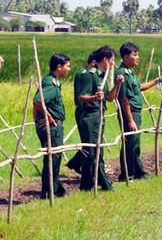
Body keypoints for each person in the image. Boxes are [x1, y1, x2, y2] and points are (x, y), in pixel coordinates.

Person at [116, 42, 162, 182]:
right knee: (129, 144)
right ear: (126, 57)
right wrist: (130, 120)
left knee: (135, 144)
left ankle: (139, 172)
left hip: (135, 112)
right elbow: (124, 99)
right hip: (130, 113)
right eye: (135, 55)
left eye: (138, 54)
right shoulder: (122, 73)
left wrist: (157, 80)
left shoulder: (130, 72)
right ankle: (127, 175)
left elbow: (139, 88)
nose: (138, 57)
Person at [75, 46, 124, 192]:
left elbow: (109, 98)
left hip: (98, 115)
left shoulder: (102, 76)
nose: (114, 64)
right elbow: (81, 97)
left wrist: (117, 84)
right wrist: (94, 98)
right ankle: (105, 184)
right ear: (105, 60)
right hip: (89, 115)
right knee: (94, 152)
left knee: (95, 150)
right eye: (112, 60)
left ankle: (86, 185)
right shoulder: (89, 74)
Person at [33, 53, 71, 199]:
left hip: (52, 125)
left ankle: (56, 189)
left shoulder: (52, 81)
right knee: (52, 159)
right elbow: (37, 101)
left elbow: (37, 103)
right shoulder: (51, 82)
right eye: (67, 66)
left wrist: (37, 120)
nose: (69, 69)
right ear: (59, 67)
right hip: (52, 127)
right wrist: (47, 116)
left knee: (54, 159)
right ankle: (48, 191)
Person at [66, 51, 97, 174]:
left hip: (85, 109)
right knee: (89, 143)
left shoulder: (86, 73)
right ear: (94, 62)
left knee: (89, 143)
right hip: (84, 110)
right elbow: (82, 96)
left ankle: (75, 163)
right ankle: (76, 163)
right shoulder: (86, 74)